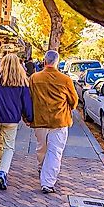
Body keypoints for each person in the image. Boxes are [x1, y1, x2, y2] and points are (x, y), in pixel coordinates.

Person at [30, 50, 79, 194]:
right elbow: (74, 100)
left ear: (44, 61)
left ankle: (42, 169)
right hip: (59, 120)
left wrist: (28, 116)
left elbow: (29, 98)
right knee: (55, 152)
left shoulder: (34, 78)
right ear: (56, 62)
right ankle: (47, 182)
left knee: (41, 149)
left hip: (40, 120)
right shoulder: (65, 79)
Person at [0, 53, 33, 190]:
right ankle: (3, 171)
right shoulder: (22, 80)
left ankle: (1, 168)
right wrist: (29, 117)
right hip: (12, 119)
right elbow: (26, 102)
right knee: (9, 147)